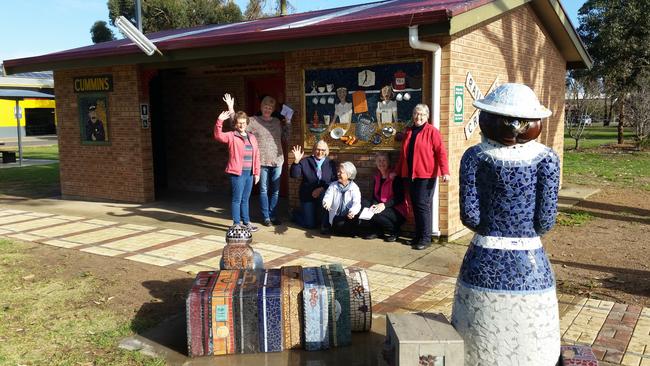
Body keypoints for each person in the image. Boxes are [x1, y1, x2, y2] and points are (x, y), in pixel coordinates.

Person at [451, 83, 560, 365]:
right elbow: (546, 220)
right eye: (506, 121)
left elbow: (471, 217)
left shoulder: (474, 157)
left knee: (480, 324)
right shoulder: (546, 159)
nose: (513, 129)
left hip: (485, 254)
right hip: (530, 258)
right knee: (532, 329)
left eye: (521, 122)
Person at [224, 93, 291, 227]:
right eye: (265, 106)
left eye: (270, 108)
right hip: (261, 161)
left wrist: (288, 123)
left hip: (277, 160)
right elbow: (237, 122)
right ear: (261, 107)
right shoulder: (253, 121)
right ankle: (266, 217)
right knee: (264, 190)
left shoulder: (277, 122)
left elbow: (286, 138)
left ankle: (273, 215)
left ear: (273, 110)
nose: (267, 109)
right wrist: (231, 108)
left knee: (276, 191)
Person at [394, 104, 450, 250]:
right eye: (416, 114)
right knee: (415, 205)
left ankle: (425, 238)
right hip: (411, 174)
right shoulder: (409, 131)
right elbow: (403, 155)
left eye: (422, 115)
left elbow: (441, 153)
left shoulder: (432, 132)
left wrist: (445, 171)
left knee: (422, 205)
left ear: (427, 117)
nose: (418, 117)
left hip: (426, 175)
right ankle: (418, 235)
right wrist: (397, 171)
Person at [213, 109, 261, 232]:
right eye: (239, 123)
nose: (241, 125)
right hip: (237, 173)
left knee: (245, 199)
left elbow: (257, 156)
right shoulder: (231, 135)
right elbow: (218, 136)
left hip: (249, 173)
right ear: (235, 123)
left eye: (244, 122)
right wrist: (220, 121)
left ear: (247, 123)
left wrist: (256, 173)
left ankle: (246, 223)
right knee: (237, 199)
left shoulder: (252, 137)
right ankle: (236, 224)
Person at [289, 140, 338, 229]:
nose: (320, 152)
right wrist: (296, 161)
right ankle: (294, 214)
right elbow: (294, 175)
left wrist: (322, 188)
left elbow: (335, 181)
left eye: (323, 150)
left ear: (326, 151)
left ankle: (322, 223)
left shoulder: (330, 163)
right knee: (310, 225)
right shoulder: (305, 161)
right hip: (307, 195)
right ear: (314, 150)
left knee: (319, 220)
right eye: (318, 149)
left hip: (323, 196)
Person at [361, 152, 408, 242]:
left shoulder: (395, 177)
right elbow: (374, 196)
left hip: (397, 210)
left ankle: (395, 231)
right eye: (379, 161)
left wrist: (384, 205)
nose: (381, 163)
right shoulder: (377, 177)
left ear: (389, 162)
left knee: (376, 213)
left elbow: (399, 198)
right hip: (382, 207)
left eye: (384, 160)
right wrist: (374, 205)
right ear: (376, 163)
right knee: (363, 204)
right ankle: (377, 231)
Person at [321, 161, 361, 236]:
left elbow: (357, 203)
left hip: (348, 216)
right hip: (336, 215)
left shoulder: (354, 187)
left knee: (349, 228)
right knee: (339, 225)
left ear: (348, 175)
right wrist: (327, 203)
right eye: (338, 171)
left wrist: (352, 212)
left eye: (341, 172)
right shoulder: (333, 185)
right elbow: (327, 196)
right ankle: (327, 226)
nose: (338, 174)